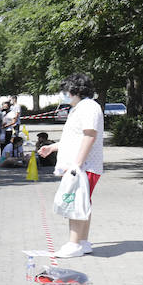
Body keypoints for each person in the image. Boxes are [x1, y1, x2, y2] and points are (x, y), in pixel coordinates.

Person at [37, 73, 104, 258]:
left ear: (75, 90)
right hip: (82, 165)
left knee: (75, 202)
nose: (64, 94)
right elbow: (73, 139)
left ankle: (73, 244)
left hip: (84, 166)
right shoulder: (80, 107)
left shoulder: (88, 107)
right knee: (83, 202)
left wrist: (77, 164)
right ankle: (82, 242)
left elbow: (90, 135)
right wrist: (52, 147)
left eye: (65, 90)